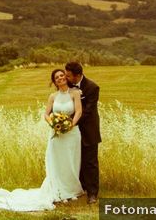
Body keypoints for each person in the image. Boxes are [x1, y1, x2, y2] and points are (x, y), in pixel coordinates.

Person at [0, 69, 84, 211]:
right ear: (54, 81)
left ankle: (71, 190)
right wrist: (52, 122)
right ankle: (59, 191)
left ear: (66, 77)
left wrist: (70, 125)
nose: (60, 78)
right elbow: (46, 114)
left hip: (72, 133)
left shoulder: (75, 93)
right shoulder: (52, 96)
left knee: (71, 161)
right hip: (56, 133)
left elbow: (79, 111)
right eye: (56, 77)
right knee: (57, 162)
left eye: (62, 75)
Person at [65, 61, 100, 204]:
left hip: (88, 130)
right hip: (71, 132)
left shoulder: (92, 87)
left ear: (77, 75)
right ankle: (79, 189)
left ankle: (92, 193)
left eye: (68, 75)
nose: (66, 78)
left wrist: (70, 123)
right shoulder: (68, 86)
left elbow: (87, 111)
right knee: (75, 161)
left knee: (90, 162)